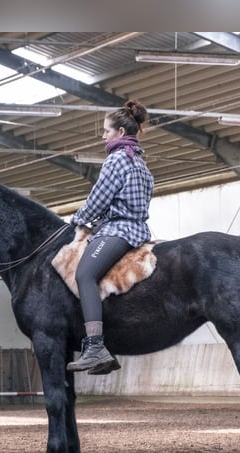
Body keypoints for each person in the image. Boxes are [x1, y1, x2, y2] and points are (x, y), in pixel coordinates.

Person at [66, 99, 154, 374]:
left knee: (84, 275)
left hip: (120, 230)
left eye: (107, 130)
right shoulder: (140, 163)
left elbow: (98, 200)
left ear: (121, 133)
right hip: (138, 228)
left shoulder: (117, 160)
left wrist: (76, 219)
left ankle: (94, 346)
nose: (103, 136)